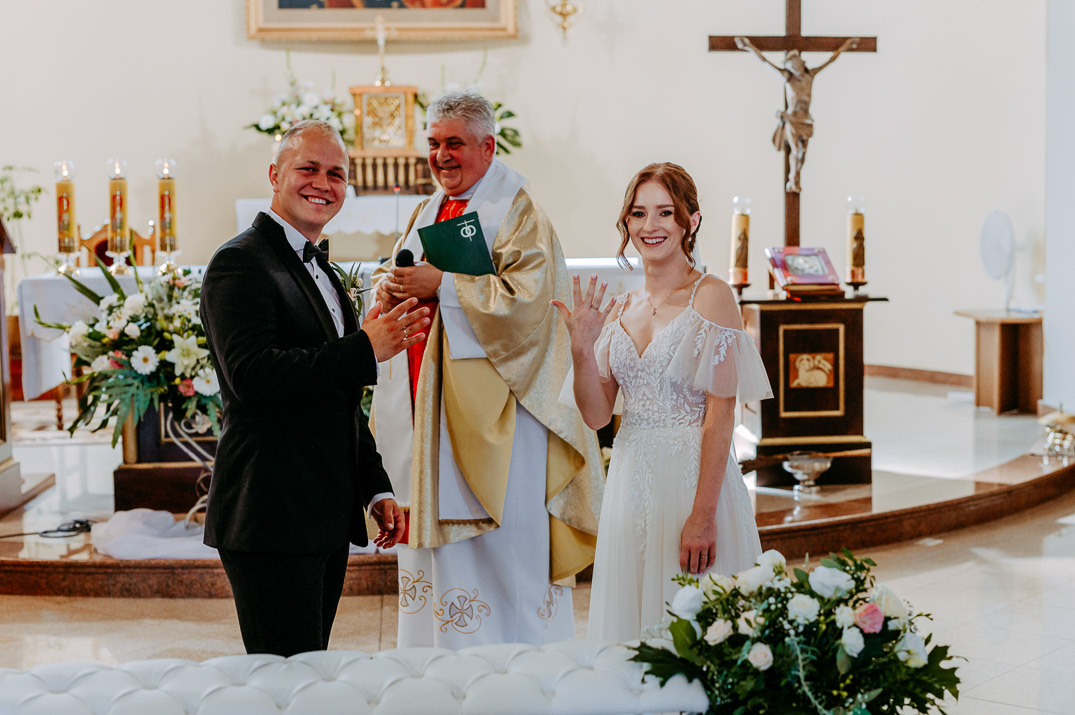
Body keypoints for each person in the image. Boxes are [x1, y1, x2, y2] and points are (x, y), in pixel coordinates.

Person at [369, 89, 604, 648]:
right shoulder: (430, 209)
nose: (441, 156)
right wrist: (389, 285)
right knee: (438, 550)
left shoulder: (518, 212)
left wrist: (443, 285)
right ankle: (437, 663)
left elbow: (529, 303)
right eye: (434, 144)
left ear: (488, 147)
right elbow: (402, 267)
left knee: (504, 542)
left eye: (454, 143)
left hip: (503, 418)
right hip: (431, 408)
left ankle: (515, 665)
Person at [199, 119, 430, 657]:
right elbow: (252, 377)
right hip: (271, 511)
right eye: (308, 168)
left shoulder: (319, 268)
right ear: (275, 175)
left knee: (309, 675)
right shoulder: (240, 262)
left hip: (321, 513)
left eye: (336, 174)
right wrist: (364, 348)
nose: (323, 184)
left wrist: (375, 488)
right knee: (283, 680)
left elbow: (338, 398)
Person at [552, 162, 773, 642]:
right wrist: (581, 350)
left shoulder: (712, 297)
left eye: (665, 212)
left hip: (693, 484)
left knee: (696, 625)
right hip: (631, 483)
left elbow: (720, 416)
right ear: (626, 222)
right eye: (638, 213)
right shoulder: (622, 306)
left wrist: (703, 515)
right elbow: (596, 415)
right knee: (634, 630)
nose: (650, 226)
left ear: (691, 220)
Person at [734, 36, 859, 193]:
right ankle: (793, 180)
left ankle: (795, 177)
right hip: (792, 120)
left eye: (797, 64)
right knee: (796, 151)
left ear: (801, 63)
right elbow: (765, 62)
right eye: (792, 66)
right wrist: (749, 47)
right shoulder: (788, 79)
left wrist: (846, 46)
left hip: (805, 120)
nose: (795, 68)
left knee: (802, 153)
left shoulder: (810, 76)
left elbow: (831, 60)